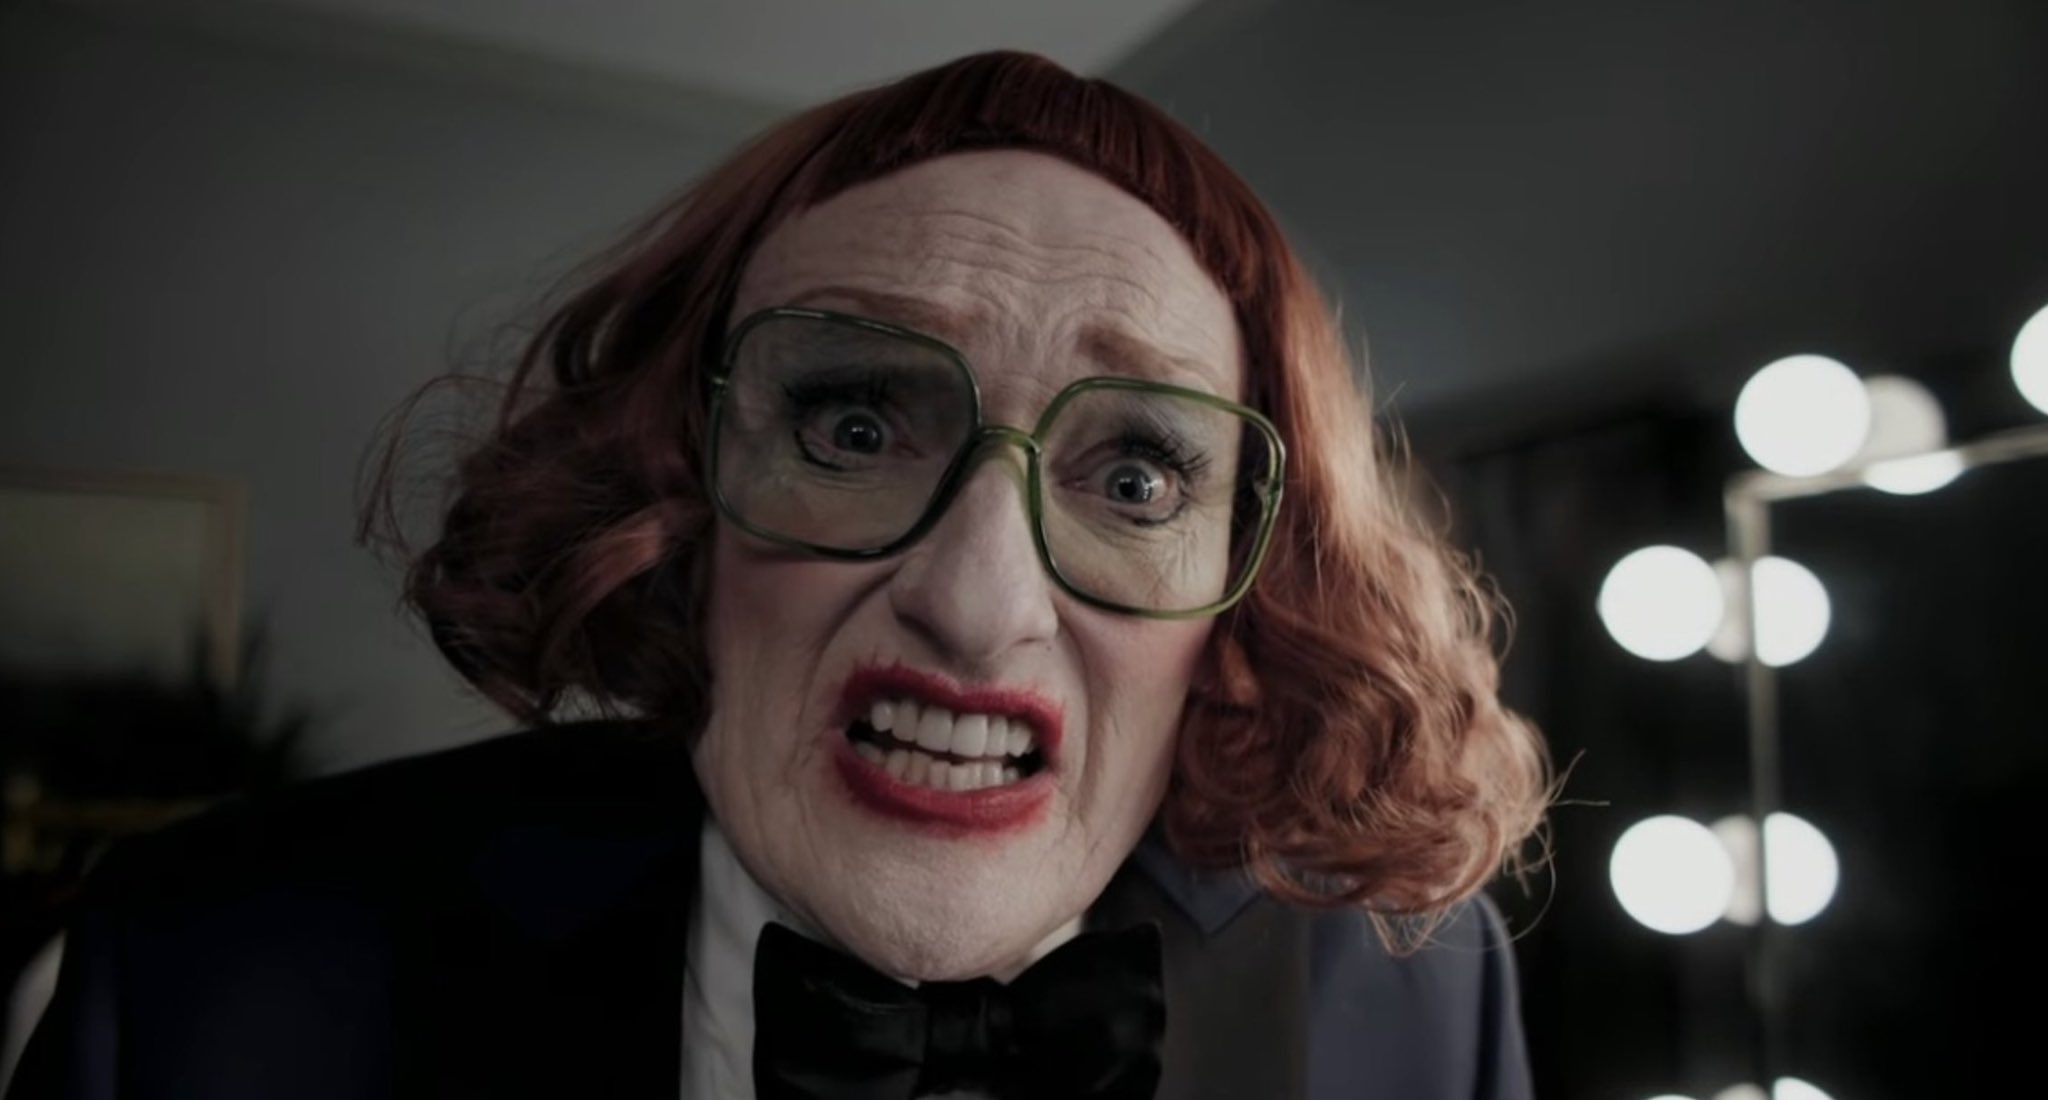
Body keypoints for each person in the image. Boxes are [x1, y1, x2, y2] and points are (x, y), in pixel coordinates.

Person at [8, 50, 1551, 1099]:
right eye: (855, 424)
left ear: (1243, 593)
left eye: (1137, 476)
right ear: (677, 503)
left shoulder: (1411, 993)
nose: (978, 602)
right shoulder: (209, 978)